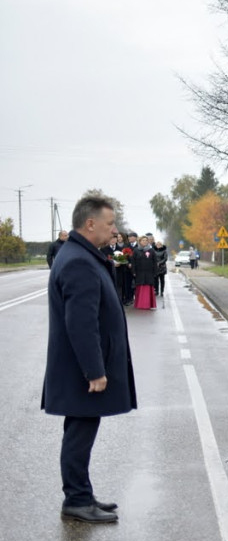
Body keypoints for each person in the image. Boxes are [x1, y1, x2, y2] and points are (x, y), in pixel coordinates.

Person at [42, 194, 137, 524]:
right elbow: (81, 323)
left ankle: (81, 494)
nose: (115, 231)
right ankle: (77, 500)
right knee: (80, 433)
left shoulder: (80, 255)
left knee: (79, 429)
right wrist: (94, 370)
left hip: (77, 368)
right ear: (90, 223)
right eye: (110, 224)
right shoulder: (79, 261)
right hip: (81, 370)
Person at [131, 236, 158, 310]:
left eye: (146, 240)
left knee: (148, 288)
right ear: (140, 241)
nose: (145, 241)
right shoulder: (136, 250)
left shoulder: (151, 250)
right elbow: (133, 262)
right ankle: (140, 304)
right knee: (140, 287)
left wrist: (155, 272)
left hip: (149, 273)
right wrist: (133, 271)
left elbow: (155, 262)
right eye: (143, 240)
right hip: (139, 273)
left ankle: (149, 304)